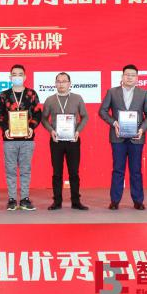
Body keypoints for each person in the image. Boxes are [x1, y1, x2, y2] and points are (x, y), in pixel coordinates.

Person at [98, 64, 147, 210]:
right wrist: (114, 123)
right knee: (118, 169)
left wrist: (142, 129)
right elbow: (102, 111)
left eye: (133, 75)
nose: (129, 77)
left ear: (137, 78)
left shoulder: (143, 93)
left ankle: (138, 201)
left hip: (137, 137)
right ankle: (115, 201)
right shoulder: (112, 92)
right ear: (122, 76)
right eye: (127, 74)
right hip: (118, 137)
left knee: (136, 170)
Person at [0, 64, 42, 211]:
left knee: (25, 169)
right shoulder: (4, 95)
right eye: (14, 74)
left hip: (27, 139)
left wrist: (31, 127)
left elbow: (38, 113)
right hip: (9, 139)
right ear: (10, 77)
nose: (17, 77)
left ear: (25, 77)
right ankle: (11, 199)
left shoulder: (32, 94)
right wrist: (5, 129)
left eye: (20, 74)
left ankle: (24, 199)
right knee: (10, 169)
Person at [40, 72, 90, 211]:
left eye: (64, 81)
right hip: (56, 140)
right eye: (58, 81)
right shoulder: (50, 100)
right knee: (57, 173)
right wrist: (51, 130)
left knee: (74, 172)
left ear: (69, 83)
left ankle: (76, 201)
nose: (61, 84)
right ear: (55, 84)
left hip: (73, 140)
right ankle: (57, 201)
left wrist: (78, 131)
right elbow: (44, 119)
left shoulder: (77, 98)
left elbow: (85, 116)